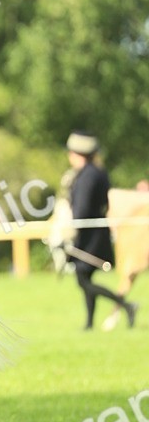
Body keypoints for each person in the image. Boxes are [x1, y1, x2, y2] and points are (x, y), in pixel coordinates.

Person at [66, 132, 137, 330]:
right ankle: (89, 324)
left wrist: (72, 225)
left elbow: (82, 207)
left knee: (82, 278)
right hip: (95, 233)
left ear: (78, 154)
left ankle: (126, 305)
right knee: (85, 278)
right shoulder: (96, 172)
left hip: (90, 236)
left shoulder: (88, 175)